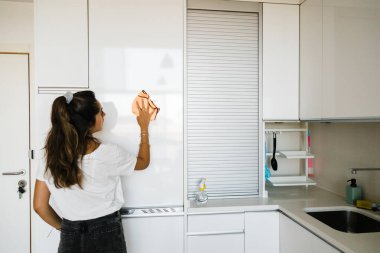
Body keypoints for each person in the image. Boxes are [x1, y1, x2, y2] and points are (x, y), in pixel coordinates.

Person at [33, 90, 153, 253]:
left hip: (70, 235)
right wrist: (144, 128)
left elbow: (40, 206)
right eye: (100, 111)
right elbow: (143, 163)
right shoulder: (108, 153)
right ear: (89, 122)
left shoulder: (49, 156)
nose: (104, 115)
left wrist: (68, 230)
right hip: (107, 233)